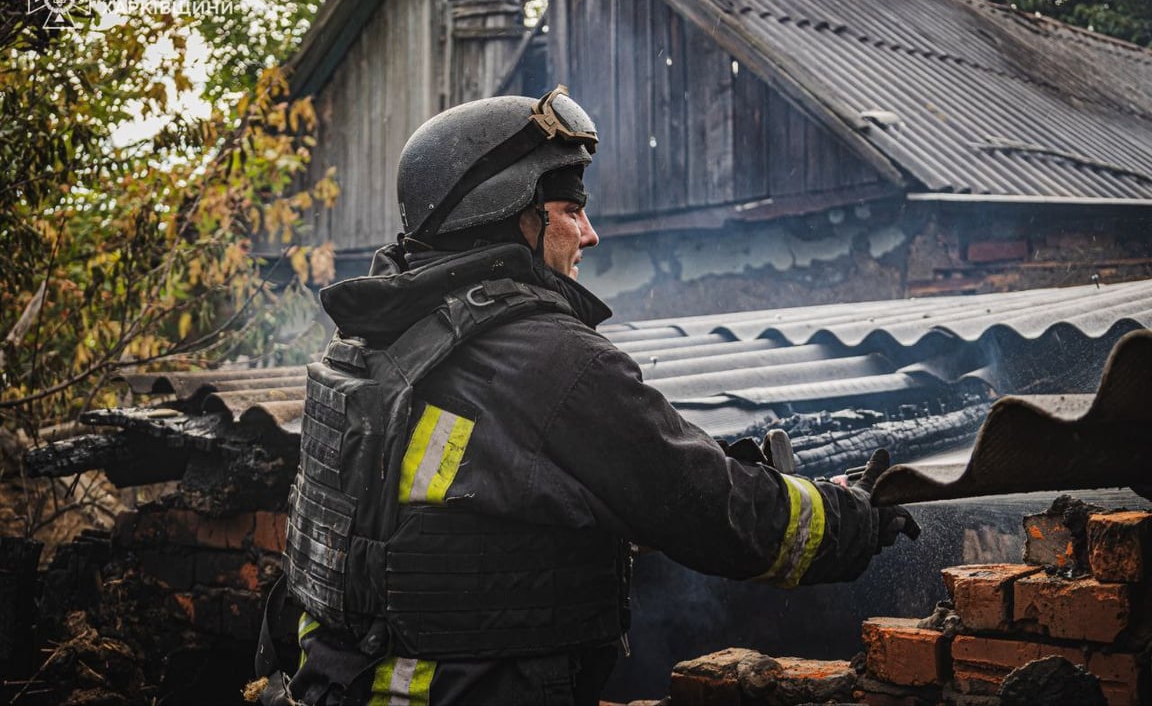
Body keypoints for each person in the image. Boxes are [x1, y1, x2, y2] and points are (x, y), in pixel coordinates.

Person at [260, 86, 919, 706]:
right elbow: (708, 510)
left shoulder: (364, 342)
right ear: (509, 217)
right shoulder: (547, 358)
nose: (591, 233)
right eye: (571, 211)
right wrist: (848, 521)